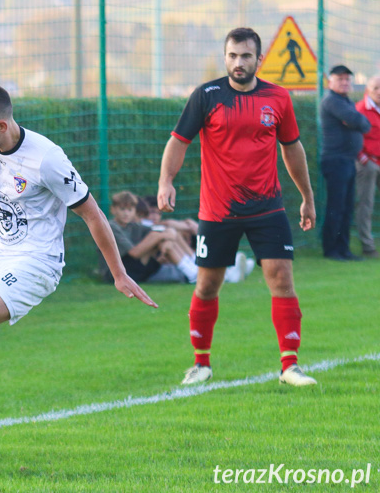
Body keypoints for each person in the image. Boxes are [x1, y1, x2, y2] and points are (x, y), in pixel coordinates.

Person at [0, 82, 156, 471]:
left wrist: (119, 273)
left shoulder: (47, 159)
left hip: (37, 261)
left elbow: (92, 214)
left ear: (2, 125)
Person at [158, 27, 317, 387]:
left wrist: (307, 197)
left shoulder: (277, 98)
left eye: (245, 56)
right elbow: (178, 141)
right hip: (217, 210)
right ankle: (201, 364)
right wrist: (165, 181)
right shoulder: (207, 96)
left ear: (259, 59)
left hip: (267, 207)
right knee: (208, 285)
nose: (238, 62)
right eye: (232, 55)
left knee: (281, 278)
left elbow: (292, 148)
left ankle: (290, 365)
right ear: (225, 57)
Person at [103, 191, 250, 285]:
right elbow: (134, 253)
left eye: (129, 210)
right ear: (113, 210)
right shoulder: (112, 226)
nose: (126, 214)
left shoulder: (132, 226)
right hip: (117, 272)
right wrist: (166, 234)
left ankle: (201, 271)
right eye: (122, 209)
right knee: (160, 235)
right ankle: (201, 272)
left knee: (165, 236)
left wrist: (168, 236)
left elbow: (162, 229)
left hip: (138, 267)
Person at [320, 65, 371, 261]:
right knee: (336, 206)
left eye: (347, 79)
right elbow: (356, 120)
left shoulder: (345, 101)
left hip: (348, 161)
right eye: (340, 79)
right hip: (336, 161)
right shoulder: (332, 101)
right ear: (330, 81)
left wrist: (357, 121)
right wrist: (356, 121)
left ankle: (344, 249)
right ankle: (331, 250)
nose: (345, 82)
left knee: (347, 207)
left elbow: (363, 123)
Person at [354, 75, 380, 258]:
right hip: (368, 164)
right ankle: (368, 247)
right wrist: (363, 160)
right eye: (376, 88)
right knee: (366, 204)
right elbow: (353, 138)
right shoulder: (360, 109)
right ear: (367, 90)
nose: (379, 92)